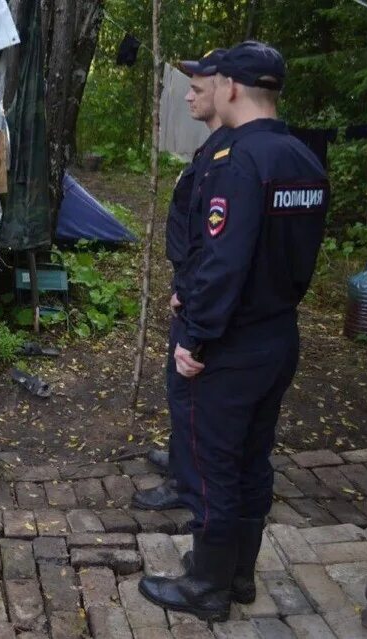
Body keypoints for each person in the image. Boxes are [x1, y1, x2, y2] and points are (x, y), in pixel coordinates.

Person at [139, 41, 328, 621]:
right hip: (278, 335)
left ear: (234, 90)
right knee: (251, 460)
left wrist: (194, 336)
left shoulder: (237, 161)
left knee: (214, 464)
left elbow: (225, 261)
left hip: (233, 343)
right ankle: (240, 574)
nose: (207, 88)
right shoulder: (304, 157)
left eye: (212, 83)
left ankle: (207, 587)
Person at [133, 49, 229, 512]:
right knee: (181, 391)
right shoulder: (211, 147)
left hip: (200, 297)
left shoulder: (230, 156)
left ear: (226, 89)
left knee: (188, 391)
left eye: (197, 88)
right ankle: (182, 461)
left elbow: (219, 247)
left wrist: (190, 294)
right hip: (190, 288)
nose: (188, 95)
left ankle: (187, 484)